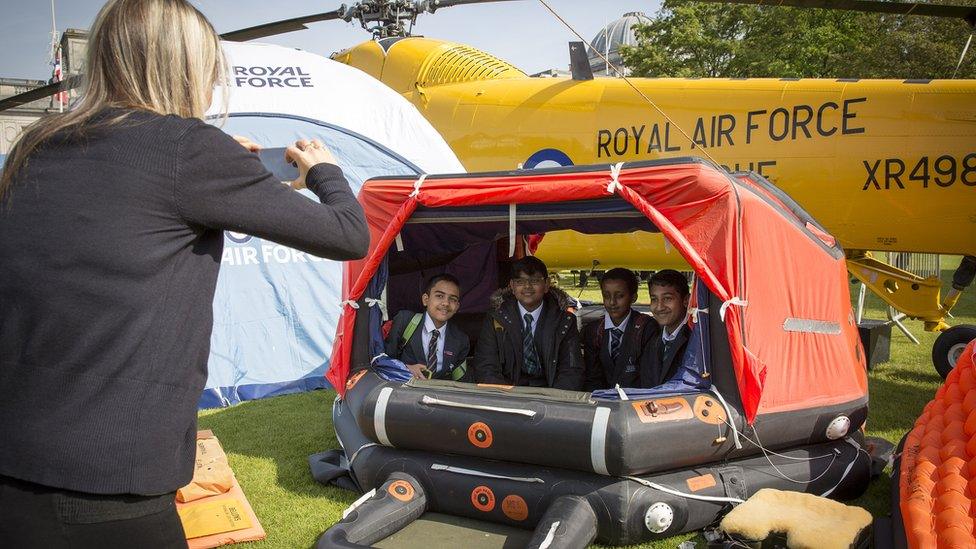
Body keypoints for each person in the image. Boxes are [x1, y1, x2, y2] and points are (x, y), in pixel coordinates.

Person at [0, 1, 369, 546]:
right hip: (109, 485)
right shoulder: (188, 148)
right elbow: (348, 234)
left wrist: (229, 172)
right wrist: (326, 171)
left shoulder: (33, 147)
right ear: (186, 67)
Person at [472, 256, 583, 390]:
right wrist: (510, 398)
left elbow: (571, 370)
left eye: (535, 281)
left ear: (547, 284)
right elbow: (486, 366)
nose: (527, 287)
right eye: (520, 281)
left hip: (551, 395)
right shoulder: (495, 318)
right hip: (509, 395)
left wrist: (553, 400)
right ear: (512, 286)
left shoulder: (564, 321)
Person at [582, 268, 659, 391]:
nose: (612, 302)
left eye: (620, 296)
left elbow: (648, 377)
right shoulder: (594, 330)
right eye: (606, 296)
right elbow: (592, 377)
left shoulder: (646, 327)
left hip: (635, 399)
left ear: (633, 297)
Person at [384, 274, 470, 381]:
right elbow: (382, 360)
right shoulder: (405, 322)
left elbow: (461, 381)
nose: (446, 303)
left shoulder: (460, 340)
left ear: (457, 306)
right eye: (439, 296)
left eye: (452, 299)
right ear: (426, 299)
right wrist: (405, 368)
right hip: (403, 392)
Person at [639, 269, 692, 387]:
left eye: (667, 298)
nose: (659, 307)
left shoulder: (696, 339)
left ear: (686, 300)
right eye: (654, 299)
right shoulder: (651, 340)